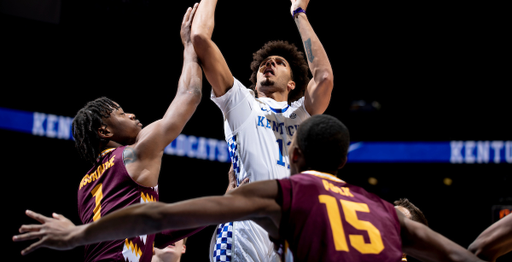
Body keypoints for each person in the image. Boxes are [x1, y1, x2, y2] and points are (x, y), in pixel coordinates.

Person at [14, 114, 485, 262]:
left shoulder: (284, 192)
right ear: (344, 163)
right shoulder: (389, 211)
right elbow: (466, 257)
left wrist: (77, 234)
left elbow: (158, 215)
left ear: (293, 155)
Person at [191, 0, 334, 261]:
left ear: (293, 83)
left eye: (279, 63)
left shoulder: (301, 114)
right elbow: (201, 40)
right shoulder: (241, 101)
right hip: (244, 223)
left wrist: (300, 14)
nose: (268, 65)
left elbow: (325, 78)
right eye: (264, 64)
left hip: (291, 229)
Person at [71, 4, 202, 261]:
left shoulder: (84, 186)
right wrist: (189, 46)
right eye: (121, 113)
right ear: (104, 130)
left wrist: (222, 207)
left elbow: (150, 234)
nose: (131, 115)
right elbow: (190, 95)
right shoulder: (134, 154)